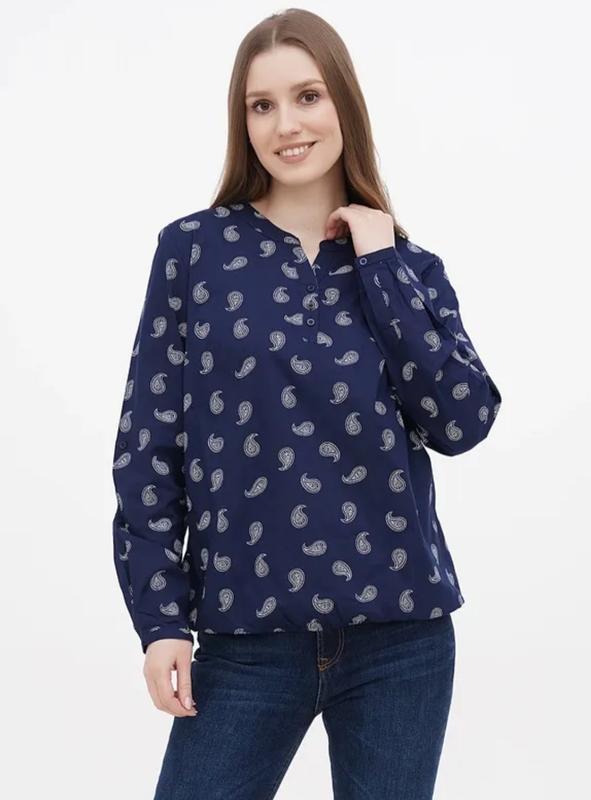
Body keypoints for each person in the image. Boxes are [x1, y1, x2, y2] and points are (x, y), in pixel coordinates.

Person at [110, 8, 502, 799]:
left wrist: (379, 261)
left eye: (307, 96)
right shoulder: (193, 252)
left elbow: (461, 421)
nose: (286, 124)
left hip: (401, 638)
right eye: (262, 105)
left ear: (343, 104)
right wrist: (160, 620)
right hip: (245, 638)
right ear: (243, 123)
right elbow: (149, 444)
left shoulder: (409, 267)